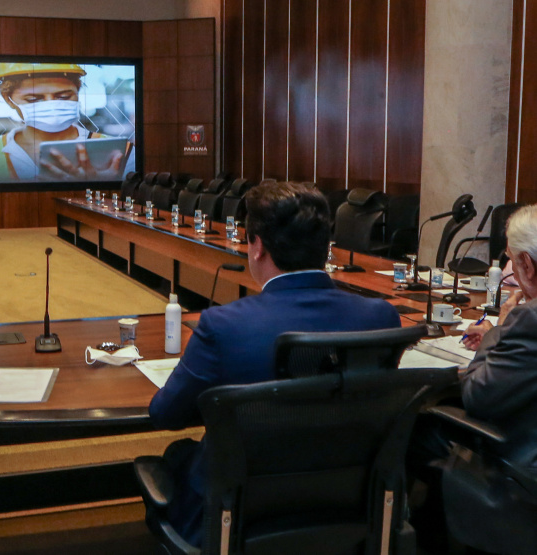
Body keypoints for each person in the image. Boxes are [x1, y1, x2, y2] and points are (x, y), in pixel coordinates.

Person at [148, 181, 401, 547]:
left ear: (257, 247)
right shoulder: (381, 317)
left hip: (237, 514)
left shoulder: (224, 326)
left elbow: (165, 414)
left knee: (178, 457)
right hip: (344, 504)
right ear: (326, 247)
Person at [0, 62, 134, 182]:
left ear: (78, 93)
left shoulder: (124, 152)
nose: (52, 105)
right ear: (9, 99)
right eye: (34, 99)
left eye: (64, 96)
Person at [461, 203, 537, 471]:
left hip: (521, 474)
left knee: (421, 429)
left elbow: (475, 395)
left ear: (526, 263)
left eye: (511, 260)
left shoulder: (529, 319)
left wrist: (501, 329)